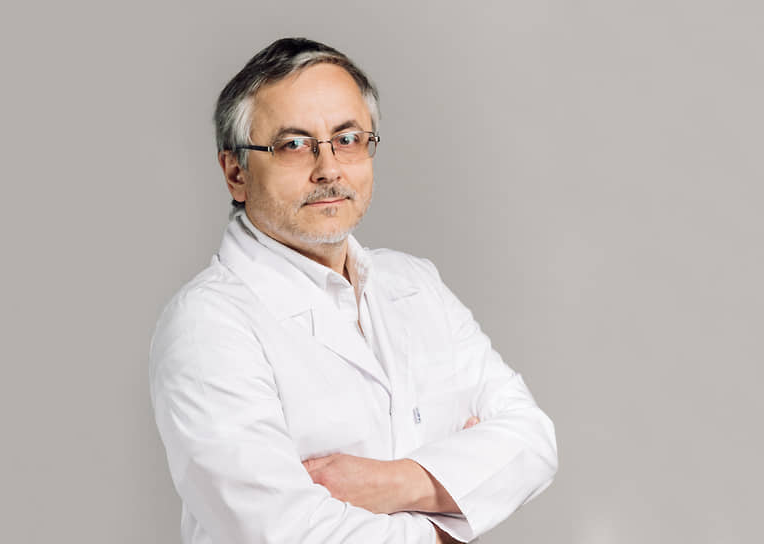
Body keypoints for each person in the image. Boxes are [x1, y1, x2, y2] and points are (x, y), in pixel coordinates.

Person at [148, 37, 558, 544]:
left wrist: (393, 483)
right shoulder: (207, 325)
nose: (329, 169)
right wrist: (457, 507)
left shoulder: (415, 283)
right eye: (293, 145)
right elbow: (288, 534)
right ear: (236, 172)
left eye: (347, 139)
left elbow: (533, 442)